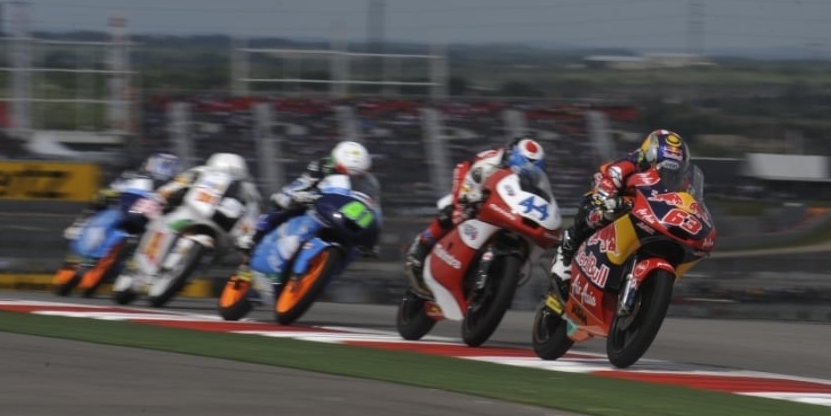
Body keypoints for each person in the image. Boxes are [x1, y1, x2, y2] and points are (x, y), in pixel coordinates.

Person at [549, 129, 691, 298]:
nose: (667, 175)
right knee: (595, 213)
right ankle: (568, 248)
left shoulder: (682, 183)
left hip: (649, 214)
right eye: (662, 169)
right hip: (617, 200)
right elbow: (604, 190)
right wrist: (607, 201)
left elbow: (687, 202)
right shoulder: (624, 167)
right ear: (647, 159)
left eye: (673, 172)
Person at [404, 136, 547, 293]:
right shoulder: (490, 164)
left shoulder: (534, 179)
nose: (529, 172)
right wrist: (467, 199)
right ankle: (421, 246)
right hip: (470, 178)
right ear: (513, 158)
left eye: (534, 169)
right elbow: (470, 183)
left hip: (499, 192)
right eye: (526, 167)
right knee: (456, 212)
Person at [234, 141, 376, 254]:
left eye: (356, 176)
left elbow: (370, 202)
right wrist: (289, 196)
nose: (350, 178)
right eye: (344, 172)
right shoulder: (322, 165)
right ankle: (254, 236)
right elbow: (302, 183)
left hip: (343, 208)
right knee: (283, 207)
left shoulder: (365, 182)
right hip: (316, 197)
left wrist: (372, 237)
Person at [63, 152, 182, 240]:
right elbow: (113, 189)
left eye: (168, 167)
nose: (164, 170)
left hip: (150, 221)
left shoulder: (175, 187)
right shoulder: (135, 176)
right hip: (127, 209)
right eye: (162, 165)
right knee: (104, 196)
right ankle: (83, 223)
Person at [154, 152, 262, 226]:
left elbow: (253, 211)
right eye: (218, 175)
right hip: (187, 211)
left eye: (232, 180)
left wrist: (247, 234)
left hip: (220, 225)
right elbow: (177, 184)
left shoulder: (248, 189)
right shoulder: (199, 171)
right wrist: (164, 195)